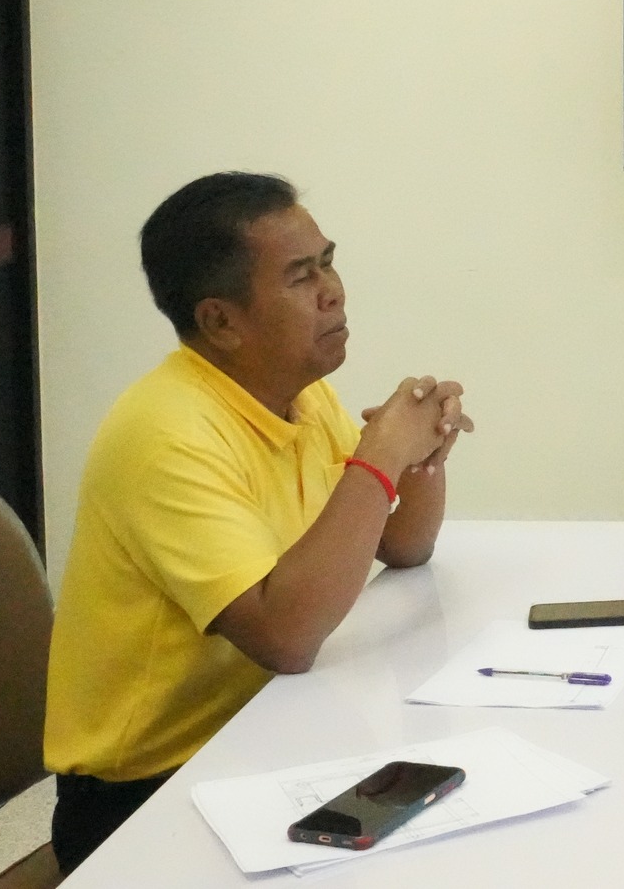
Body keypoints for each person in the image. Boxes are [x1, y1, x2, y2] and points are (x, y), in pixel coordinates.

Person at [42, 173, 476, 873]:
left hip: (269, 734)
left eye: (328, 262)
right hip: (151, 795)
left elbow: (403, 544)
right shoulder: (165, 433)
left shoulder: (300, 396)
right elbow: (286, 637)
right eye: (302, 277)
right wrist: (379, 458)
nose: (334, 292)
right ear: (221, 322)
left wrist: (419, 457)